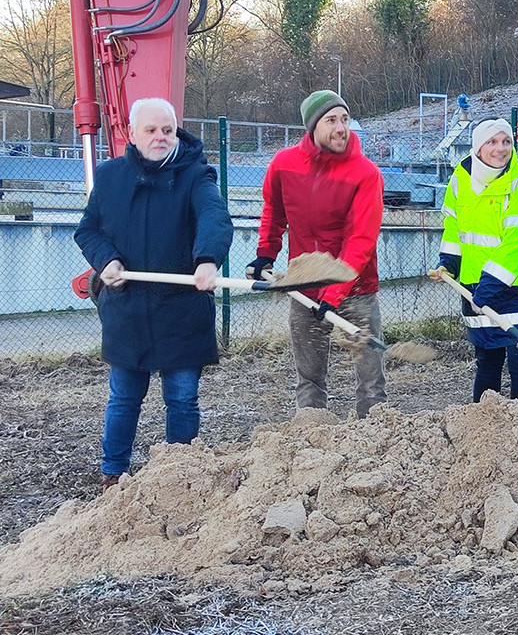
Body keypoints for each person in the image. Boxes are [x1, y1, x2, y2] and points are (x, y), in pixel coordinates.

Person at [74, 97, 233, 492]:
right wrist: (105, 261)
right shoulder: (110, 177)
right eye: (151, 130)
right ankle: (113, 472)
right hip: (127, 311)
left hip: (181, 311)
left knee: (181, 399)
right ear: (132, 133)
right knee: (124, 399)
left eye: (168, 130)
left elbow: (215, 217)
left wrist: (207, 259)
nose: (161, 138)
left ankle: (179, 474)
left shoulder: (196, 176)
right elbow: (87, 230)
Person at [246, 90, 387, 417]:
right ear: (312, 126)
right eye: (331, 120)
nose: (341, 128)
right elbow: (274, 212)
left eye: (345, 119)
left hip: (356, 289)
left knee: (371, 379)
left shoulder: (365, 174)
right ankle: (310, 436)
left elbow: (361, 239)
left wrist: (335, 293)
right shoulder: (284, 164)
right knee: (309, 376)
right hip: (305, 287)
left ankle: (375, 435)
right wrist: (265, 254)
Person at [430, 119, 518, 405]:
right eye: (492, 142)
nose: (501, 149)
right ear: (478, 147)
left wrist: (489, 287)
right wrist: (449, 263)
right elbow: (453, 226)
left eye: (506, 142)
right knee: (487, 360)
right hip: (476, 286)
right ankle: (483, 424)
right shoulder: (461, 179)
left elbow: (516, 245)